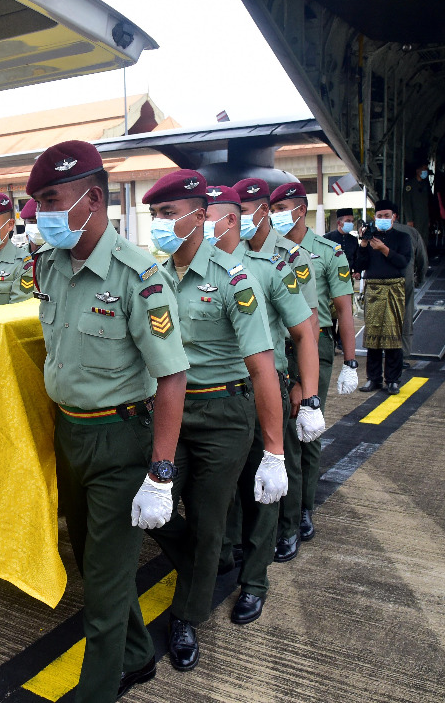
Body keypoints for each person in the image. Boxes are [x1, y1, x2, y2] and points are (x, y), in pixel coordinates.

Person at [28, 140, 188, 701]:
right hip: (69, 435)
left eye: (51, 199)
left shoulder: (137, 276)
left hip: (120, 442)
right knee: (92, 561)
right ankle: (139, 655)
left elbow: (171, 376)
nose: (42, 214)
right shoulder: (48, 265)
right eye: (38, 202)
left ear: (92, 198)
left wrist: (161, 474)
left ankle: (95, 690)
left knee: (102, 586)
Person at [141, 171, 285, 672]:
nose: (159, 224)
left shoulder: (233, 279)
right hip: (169, 411)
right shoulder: (153, 277)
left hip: (224, 411)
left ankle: (187, 615)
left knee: (208, 518)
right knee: (141, 501)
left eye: (167, 214)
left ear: (200, 215)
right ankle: (207, 561)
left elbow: (263, 367)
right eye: (155, 215)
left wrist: (274, 452)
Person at [208, 185, 320, 625]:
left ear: (232, 219)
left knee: (266, 480)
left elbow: (302, 332)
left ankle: (255, 581)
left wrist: (304, 391)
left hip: (264, 386)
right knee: (226, 485)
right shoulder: (188, 268)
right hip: (217, 393)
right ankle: (230, 549)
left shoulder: (271, 266)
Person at [270, 182, 358, 555]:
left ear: (301, 210)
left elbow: (343, 309)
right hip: (275, 343)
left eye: (283, 207)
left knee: (306, 428)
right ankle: (280, 508)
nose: (276, 214)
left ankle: (303, 509)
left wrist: (350, 362)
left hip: (315, 344)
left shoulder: (327, 252)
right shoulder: (265, 249)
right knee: (277, 433)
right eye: (272, 208)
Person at [353, 207, 413, 394]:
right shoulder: (369, 238)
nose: (383, 219)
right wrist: (363, 244)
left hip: (394, 288)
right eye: (379, 216)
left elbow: (403, 263)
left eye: (386, 216)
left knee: (393, 335)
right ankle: (373, 378)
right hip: (374, 289)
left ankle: (393, 380)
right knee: (373, 337)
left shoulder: (402, 238)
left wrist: (384, 249)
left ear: (394, 217)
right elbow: (359, 265)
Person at [385, 203, 429, 358]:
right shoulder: (412, 232)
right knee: (405, 315)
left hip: (382, 280)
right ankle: (402, 354)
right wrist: (420, 279)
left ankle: (384, 351)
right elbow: (422, 260)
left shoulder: (377, 232)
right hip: (406, 278)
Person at [406, 163, 433, 243]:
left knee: (424, 237)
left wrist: (428, 218)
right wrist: (409, 219)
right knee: (415, 237)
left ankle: (423, 254)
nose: (426, 172)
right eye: (424, 170)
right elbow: (407, 203)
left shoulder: (425, 184)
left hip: (424, 216)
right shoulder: (410, 185)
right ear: (418, 171)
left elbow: (427, 203)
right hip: (415, 217)